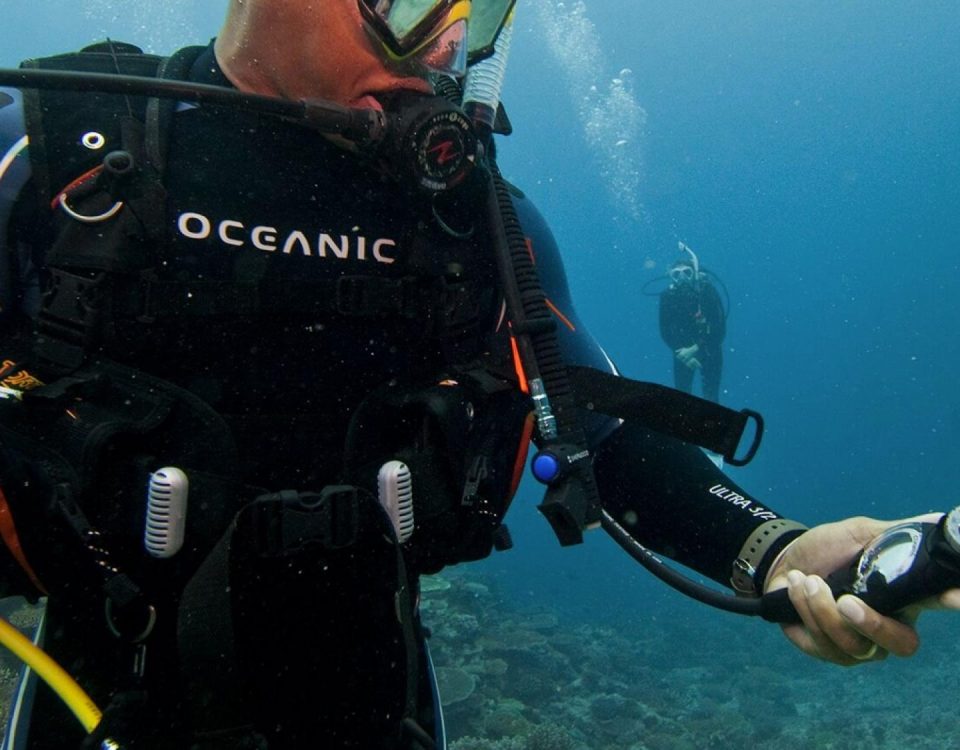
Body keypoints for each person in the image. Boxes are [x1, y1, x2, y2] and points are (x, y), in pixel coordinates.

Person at [0, 2, 956, 748]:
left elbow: (599, 432)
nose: (450, 42)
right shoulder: (46, 160)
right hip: (91, 709)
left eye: (482, 9)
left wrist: (778, 550)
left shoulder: (473, 225)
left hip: (381, 713)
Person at [658, 243, 726, 403]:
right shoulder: (668, 296)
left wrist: (695, 349)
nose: (682, 278)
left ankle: (710, 424)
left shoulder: (707, 292)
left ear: (694, 274)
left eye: (687, 273)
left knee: (711, 398)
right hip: (681, 353)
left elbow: (720, 329)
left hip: (710, 351)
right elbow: (665, 330)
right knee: (682, 397)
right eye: (676, 274)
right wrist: (681, 353)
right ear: (671, 277)